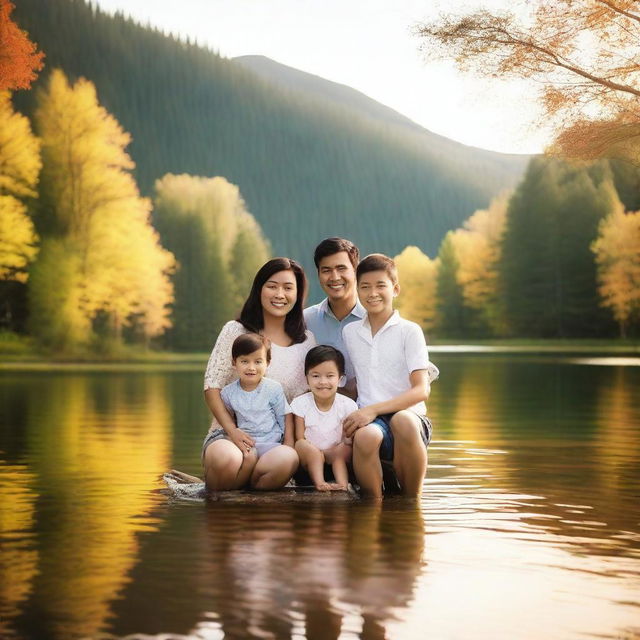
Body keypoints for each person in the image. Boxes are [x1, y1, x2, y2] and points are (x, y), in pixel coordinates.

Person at [203, 257, 316, 491]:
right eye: (272, 286)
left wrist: (292, 443)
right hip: (227, 435)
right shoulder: (235, 331)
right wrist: (232, 431)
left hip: (274, 443)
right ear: (259, 289)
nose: (279, 294)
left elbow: (302, 404)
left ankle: (249, 501)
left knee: (287, 459)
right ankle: (221, 503)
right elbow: (212, 386)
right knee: (228, 459)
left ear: (298, 294)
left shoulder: (306, 342)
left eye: (288, 287)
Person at [342, 253, 439, 499]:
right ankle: (373, 509)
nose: (372, 293)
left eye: (380, 285)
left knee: (401, 421)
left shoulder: (410, 331)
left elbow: (421, 390)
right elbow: (355, 383)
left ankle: (411, 504)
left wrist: (373, 409)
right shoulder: (350, 332)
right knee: (364, 436)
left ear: (395, 289)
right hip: (373, 422)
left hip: (411, 420)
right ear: (357, 290)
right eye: (365, 287)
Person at [291, 345, 358, 491]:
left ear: (340, 379)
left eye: (330, 376)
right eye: (315, 376)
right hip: (309, 455)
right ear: (306, 378)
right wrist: (317, 452)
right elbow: (299, 437)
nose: (323, 382)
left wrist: (333, 451)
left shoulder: (347, 405)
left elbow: (347, 438)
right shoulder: (300, 403)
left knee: (345, 448)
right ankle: (319, 482)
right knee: (302, 444)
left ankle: (342, 483)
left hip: (336, 453)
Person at [304, 237, 365, 388]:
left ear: (356, 271)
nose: (335, 277)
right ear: (318, 275)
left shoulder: (376, 320)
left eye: (341, 268)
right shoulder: (305, 320)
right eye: (326, 270)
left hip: (368, 409)